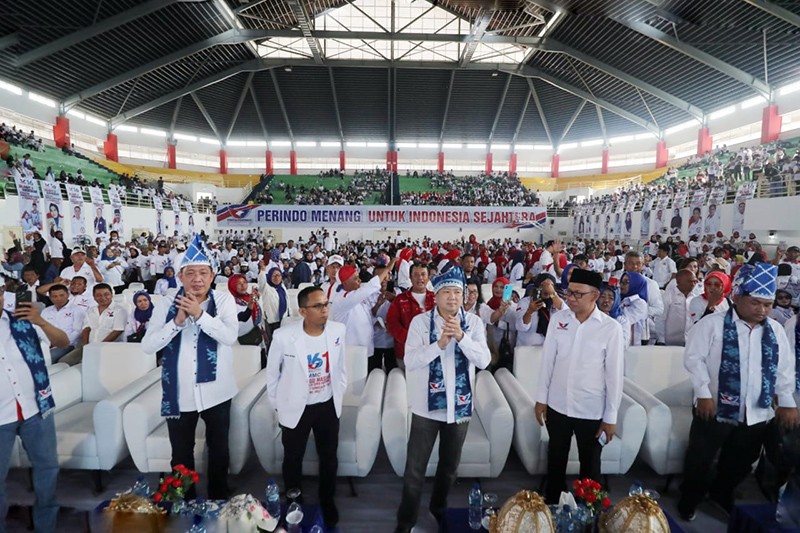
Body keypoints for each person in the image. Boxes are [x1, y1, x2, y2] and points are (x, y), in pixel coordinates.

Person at [678, 263, 798, 521]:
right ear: (738, 297)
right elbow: (693, 359)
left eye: (767, 304)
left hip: (756, 412)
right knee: (700, 459)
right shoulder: (713, 324)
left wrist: (786, 400)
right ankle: (689, 500)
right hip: (713, 408)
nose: (762, 310)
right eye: (755, 303)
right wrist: (703, 393)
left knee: (740, 462)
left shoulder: (775, 330)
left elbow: (784, 368)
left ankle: (721, 493)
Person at [141, 235, 239, 500]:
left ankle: (218, 497)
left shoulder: (225, 301)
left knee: (219, 449)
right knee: (181, 452)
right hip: (179, 392)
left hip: (217, 391)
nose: (197, 279)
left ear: (212, 276)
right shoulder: (165, 303)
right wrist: (177, 322)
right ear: (180, 277)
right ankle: (185, 500)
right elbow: (148, 346)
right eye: (191, 273)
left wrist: (201, 314)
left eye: (203, 273)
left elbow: (230, 337)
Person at [394, 267, 491, 533]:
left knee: (449, 469)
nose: (452, 298)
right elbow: (411, 361)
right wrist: (438, 345)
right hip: (426, 409)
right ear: (434, 296)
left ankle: (439, 510)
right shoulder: (421, 323)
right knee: (414, 471)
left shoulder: (473, 324)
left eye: (457, 292)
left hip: (459, 410)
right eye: (446, 292)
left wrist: (461, 338)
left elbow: (483, 361)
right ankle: (405, 523)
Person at [534, 269, 624, 504]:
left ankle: (589, 514)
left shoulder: (610, 328)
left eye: (577, 294)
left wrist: (610, 416)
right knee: (555, 461)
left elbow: (614, 376)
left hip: (591, 410)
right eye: (569, 292)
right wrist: (541, 399)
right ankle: (553, 506)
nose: (570, 298)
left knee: (591, 467)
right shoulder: (558, 320)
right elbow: (547, 363)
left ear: (595, 296)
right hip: (558, 405)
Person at [266, 286, 347, 529]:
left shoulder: (338, 331)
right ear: (303, 311)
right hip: (295, 406)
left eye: (326, 304)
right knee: (292, 457)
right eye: (318, 306)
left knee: (329, 457)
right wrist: (278, 405)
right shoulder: (284, 336)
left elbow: (341, 366)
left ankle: (327, 499)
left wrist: (338, 392)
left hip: (327, 404)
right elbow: (272, 374)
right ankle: (294, 499)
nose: (325, 310)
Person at [0, 280, 70, 533]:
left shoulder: (22, 320)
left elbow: (62, 341)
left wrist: (40, 321)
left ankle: (46, 527)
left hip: (34, 410)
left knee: (47, 469)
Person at [331, 260, 394, 369]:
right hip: (352, 351)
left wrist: (380, 324)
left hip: (366, 349)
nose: (359, 280)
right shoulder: (342, 299)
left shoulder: (355, 297)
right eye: (355, 278)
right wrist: (388, 268)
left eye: (358, 277)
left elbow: (367, 317)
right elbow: (370, 287)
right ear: (345, 283)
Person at [386, 262, 435, 370]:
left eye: (423, 274)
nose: (420, 278)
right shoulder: (400, 300)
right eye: (416, 274)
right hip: (406, 353)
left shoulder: (436, 298)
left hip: (432, 353)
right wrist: (409, 338)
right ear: (410, 277)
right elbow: (392, 323)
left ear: (428, 278)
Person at [515, 273, 566, 347]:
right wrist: (530, 311)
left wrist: (552, 294)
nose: (546, 289)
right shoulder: (525, 302)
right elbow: (521, 327)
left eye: (550, 286)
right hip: (527, 349)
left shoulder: (556, 301)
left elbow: (566, 313)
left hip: (550, 348)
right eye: (543, 285)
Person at [41, 284, 84, 362]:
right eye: (55, 296)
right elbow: (40, 329)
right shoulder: (46, 311)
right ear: (50, 297)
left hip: (67, 345)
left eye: (61, 295)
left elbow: (77, 332)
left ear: (67, 295)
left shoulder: (77, 310)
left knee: (48, 358)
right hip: (46, 343)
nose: (58, 299)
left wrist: (60, 343)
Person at [655, 269, 697, 346]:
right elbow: (660, 319)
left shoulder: (695, 298)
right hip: (669, 343)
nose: (693, 284)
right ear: (678, 281)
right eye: (690, 281)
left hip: (689, 342)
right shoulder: (668, 296)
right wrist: (661, 339)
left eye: (695, 281)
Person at [228, 274, 266, 349]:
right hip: (246, 336)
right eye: (239, 283)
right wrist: (251, 303)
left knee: (262, 356)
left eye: (244, 282)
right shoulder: (230, 302)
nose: (243, 286)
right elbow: (243, 317)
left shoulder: (248, 296)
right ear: (232, 285)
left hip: (257, 331)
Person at [258, 266, 288, 340]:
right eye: (274, 275)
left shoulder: (282, 287)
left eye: (278, 275)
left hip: (282, 320)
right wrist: (262, 271)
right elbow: (261, 282)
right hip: (271, 321)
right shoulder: (266, 288)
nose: (276, 278)